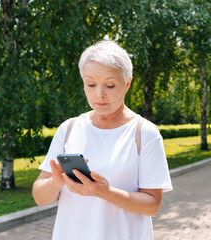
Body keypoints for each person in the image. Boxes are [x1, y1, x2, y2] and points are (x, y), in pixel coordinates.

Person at [32, 40, 173, 240]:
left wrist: (105, 192)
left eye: (110, 85)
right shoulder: (69, 129)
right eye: (91, 84)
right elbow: (40, 197)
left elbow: (152, 206)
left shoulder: (144, 133)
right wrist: (55, 182)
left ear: (127, 84)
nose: (99, 94)